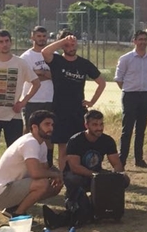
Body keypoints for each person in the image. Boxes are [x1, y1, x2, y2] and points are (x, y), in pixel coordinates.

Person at [0, 29, 40, 193]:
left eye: (7, 41)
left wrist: (23, 101)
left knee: (14, 152)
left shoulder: (20, 63)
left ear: (11, 42)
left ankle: (12, 183)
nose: (5, 44)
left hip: (14, 115)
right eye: (1, 42)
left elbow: (36, 82)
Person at [41, 31, 106, 171]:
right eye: (67, 45)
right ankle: (64, 177)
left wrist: (91, 101)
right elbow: (45, 52)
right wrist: (62, 41)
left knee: (79, 146)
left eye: (73, 44)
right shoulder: (57, 61)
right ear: (63, 46)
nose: (71, 47)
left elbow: (101, 82)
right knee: (63, 148)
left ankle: (81, 174)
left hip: (78, 111)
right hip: (60, 110)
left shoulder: (84, 64)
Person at [0, 109, 64, 218]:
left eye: (52, 125)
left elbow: (45, 168)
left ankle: (14, 208)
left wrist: (58, 175)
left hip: (15, 186)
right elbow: (36, 173)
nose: (51, 128)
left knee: (55, 186)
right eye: (47, 124)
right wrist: (55, 175)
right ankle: (17, 214)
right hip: (2, 193)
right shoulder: (30, 142)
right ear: (34, 127)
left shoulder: (41, 144)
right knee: (42, 184)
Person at [114, 30, 147, 169]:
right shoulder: (126, 58)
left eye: (145, 39)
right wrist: (129, 90)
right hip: (130, 95)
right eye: (140, 39)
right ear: (134, 41)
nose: (143, 42)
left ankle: (139, 159)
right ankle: (122, 160)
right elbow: (119, 78)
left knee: (141, 129)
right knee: (127, 130)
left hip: (145, 95)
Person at [63, 110, 129, 197]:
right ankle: (74, 198)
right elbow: (75, 167)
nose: (99, 128)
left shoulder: (107, 140)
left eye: (101, 124)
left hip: (97, 173)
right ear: (86, 125)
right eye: (95, 125)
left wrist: (116, 177)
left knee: (124, 179)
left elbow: (117, 164)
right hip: (78, 174)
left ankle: (103, 198)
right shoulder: (75, 141)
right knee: (73, 179)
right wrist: (95, 175)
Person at [20, 26, 54, 166]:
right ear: (32, 37)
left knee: (49, 133)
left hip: (50, 99)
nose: (42, 39)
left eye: (44, 36)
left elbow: (56, 76)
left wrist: (41, 73)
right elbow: (29, 79)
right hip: (32, 100)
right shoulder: (26, 57)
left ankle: (49, 163)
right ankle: (27, 161)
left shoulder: (53, 54)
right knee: (30, 132)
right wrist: (44, 76)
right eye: (39, 36)